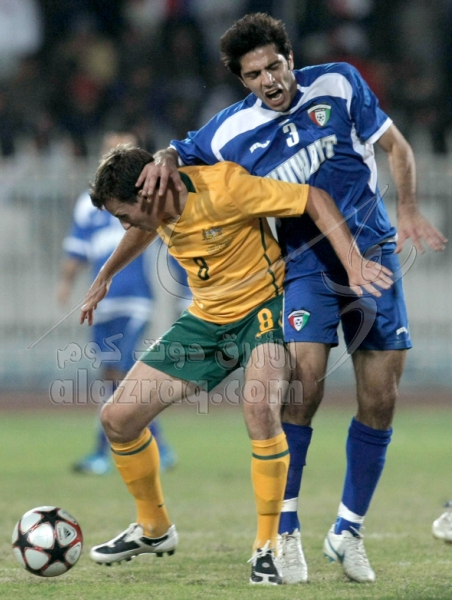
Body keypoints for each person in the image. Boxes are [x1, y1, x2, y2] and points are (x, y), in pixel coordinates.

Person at [135, 13, 448, 584]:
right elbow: (178, 152)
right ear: (242, 80)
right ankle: (285, 531)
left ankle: (348, 531)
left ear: (290, 59)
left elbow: (396, 146)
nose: (269, 80)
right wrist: (162, 158)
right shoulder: (230, 132)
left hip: (372, 253)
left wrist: (407, 208)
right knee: (302, 391)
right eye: (254, 74)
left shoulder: (339, 82)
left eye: (274, 66)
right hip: (304, 266)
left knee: (381, 397)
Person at [80, 144, 392, 585]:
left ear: (149, 192)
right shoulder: (156, 208)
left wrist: (353, 261)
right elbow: (145, 227)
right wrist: (105, 275)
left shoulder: (225, 187)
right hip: (207, 319)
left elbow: (312, 198)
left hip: (264, 311)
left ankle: (268, 547)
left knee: (260, 409)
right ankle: (154, 528)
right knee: (117, 418)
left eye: (123, 215)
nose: (124, 225)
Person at [58, 132, 177, 475]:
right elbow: (78, 247)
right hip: (104, 303)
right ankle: (156, 445)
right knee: (113, 373)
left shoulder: (148, 199)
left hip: (135, 297)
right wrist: (67, 282)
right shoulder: (90, 204)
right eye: (110, 149)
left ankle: (109, 450)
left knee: (123, 371)